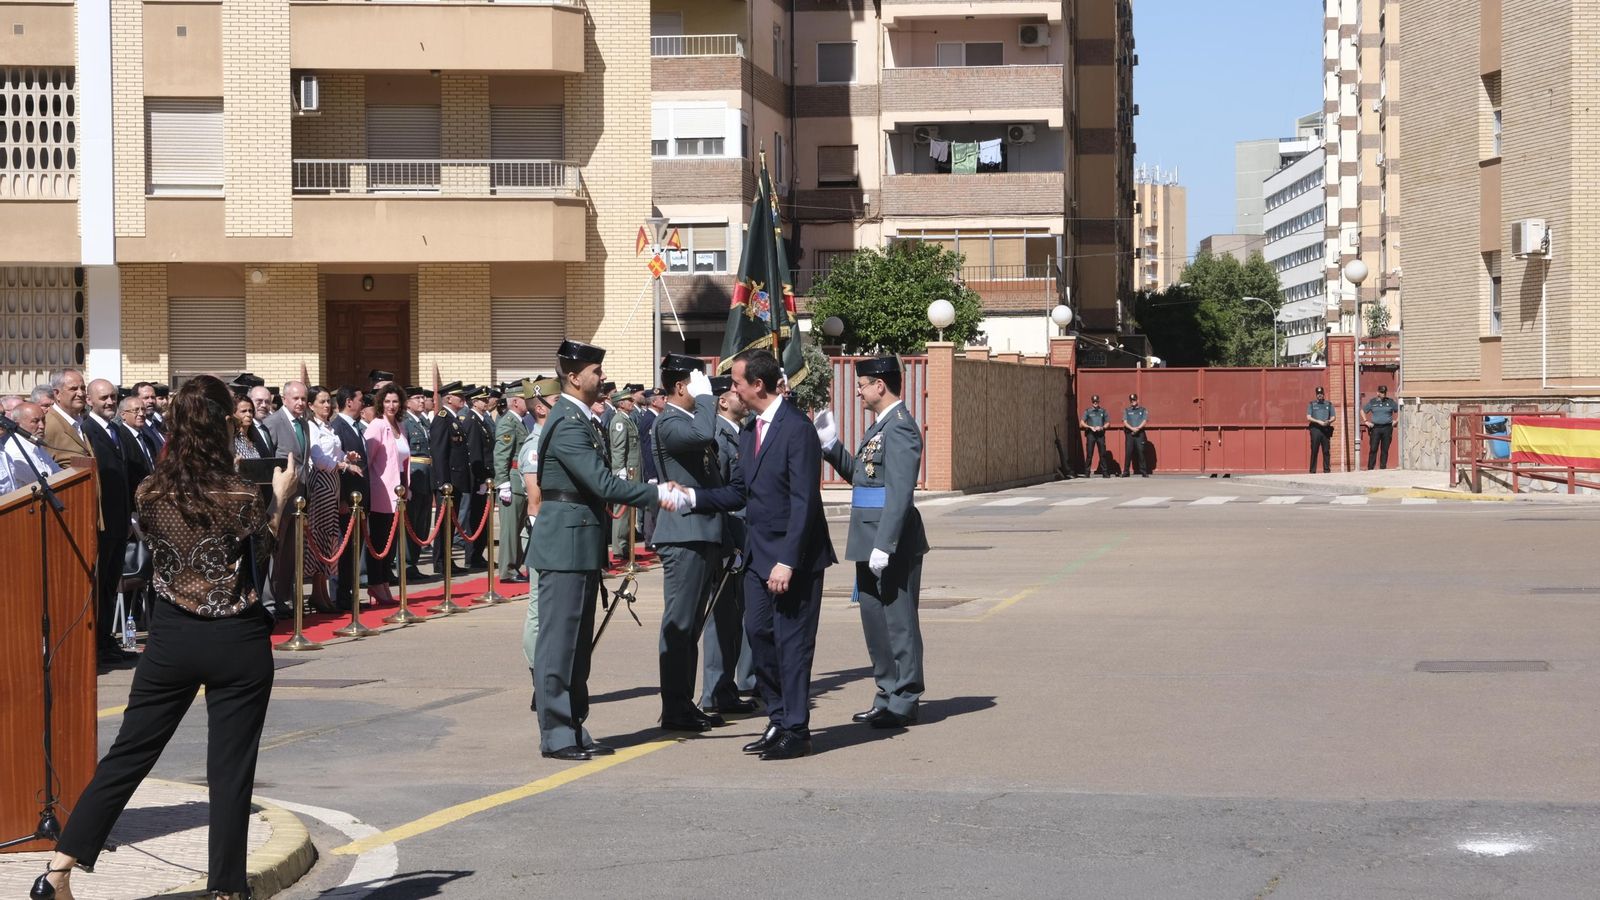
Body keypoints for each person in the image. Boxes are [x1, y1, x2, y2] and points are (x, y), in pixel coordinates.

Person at [30, 375, 298, 900]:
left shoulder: (149, 491)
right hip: (236, 637)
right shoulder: (242, 492)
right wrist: (280, 501)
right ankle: (225, 889)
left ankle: (59, 869)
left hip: (172, 636)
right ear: (222, 426)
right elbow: (258, 563)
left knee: (128, 755)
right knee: (230, 771)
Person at [528, 340, 683, 761]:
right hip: (564, 543)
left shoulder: (582, 419)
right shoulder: (569, 422)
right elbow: (601, 483)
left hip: (579, 541)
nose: (601, 378)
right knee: (559, 643)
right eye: (595, 371)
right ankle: (557, 731)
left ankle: (574, 724)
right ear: (574, 377)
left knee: (578, 645)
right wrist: (656, 493)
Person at [686, 350, 838, 761]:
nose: (731, 389)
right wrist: (692, 497)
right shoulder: (751, 431)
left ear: (757, 384)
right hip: (757, 556)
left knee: (792, 644)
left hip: (794, 558)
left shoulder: (797, 428)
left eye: (736, 381)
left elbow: (806, 501)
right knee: (758, 635)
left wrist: (787, 560)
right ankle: (777, 717)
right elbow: (740, 491)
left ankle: (797, 728)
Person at [819, 356, 929, 728]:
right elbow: (862, 478)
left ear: (880, 386)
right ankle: (885, 693)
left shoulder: (900, 428)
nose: (859, 391)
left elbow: (899, 493)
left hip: (889, 542)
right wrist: (831, 445)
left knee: (898, 622)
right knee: (874, 622)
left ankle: (905, 698)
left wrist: (886, 543)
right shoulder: (879, 427)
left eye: (863, 384)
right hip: (867, 540)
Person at [648, 354, 730, 731]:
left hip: (701, 533)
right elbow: (703, 436)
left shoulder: (687, 419)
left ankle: (682, 701)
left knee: (691, 626)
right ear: (680, 387)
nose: (706, 389)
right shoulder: (669, 422)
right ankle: (675, 706)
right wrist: (709, 399)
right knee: (679, 626)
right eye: (698, 382)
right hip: (683, 535)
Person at [700, 375, 756, 715]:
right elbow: (719, 495)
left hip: (746, 533)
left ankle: (728, 687)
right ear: (722, 401)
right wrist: (727, 543)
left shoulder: (741, 434)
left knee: (737, 617)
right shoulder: (717, 438)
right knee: (721, 618)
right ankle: (714, 692)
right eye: (736, 392)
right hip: (730, 535)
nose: (742, 395)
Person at [80, 379, 138, 666]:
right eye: (103, 397)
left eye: (113, 397)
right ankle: (98, 643)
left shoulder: (114, 429)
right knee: (101, 585)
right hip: (101, 523)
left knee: (112, 582)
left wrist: (128, 515)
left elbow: (122, 477)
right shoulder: (86, 431)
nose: (110, 402)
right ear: (90, 400)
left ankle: (106, 638)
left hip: (119, 521)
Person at [518, 377, 557, 712]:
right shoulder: (535, 445)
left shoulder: (553, 437)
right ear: (541, 405)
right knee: (537, 609)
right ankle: (537, 676)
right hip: (541, 533)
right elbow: (535, 500)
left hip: (554, 532)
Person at [261, 381, 313, 618]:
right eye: (296, 399)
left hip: (300, 497)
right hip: (280, 499)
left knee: (291, 552)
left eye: (303, 398)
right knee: (275, 550)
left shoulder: (304, 423)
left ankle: (284, 597)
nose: (300, 403)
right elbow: (269, 460)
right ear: (284, 399)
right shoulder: (272, 423)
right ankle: (270, 601)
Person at [306, 387, 354, 613]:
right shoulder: (311, 426)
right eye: (322, 402)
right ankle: (317, 592)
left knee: (329, 538)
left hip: (333, 482)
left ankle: (322, 591)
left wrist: (347, 457)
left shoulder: (329, 426)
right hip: (321, 483)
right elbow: (318, 458)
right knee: (320, 537)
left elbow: (334, 453)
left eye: (328, 402)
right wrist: (342, 465)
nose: (327, 406)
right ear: (311, 405)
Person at [363, 384, 409, 605]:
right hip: (382, 491)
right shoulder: (377, 425)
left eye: (395, 401)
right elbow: (368, 460)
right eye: (388, 401)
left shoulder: (399, 425)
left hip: (399, 490)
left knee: (391, 544)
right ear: (381, 403)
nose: (392, 406)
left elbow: (403, 459)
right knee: (380, 542)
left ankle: (383, 582)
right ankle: (375, 583)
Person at [330, 387, 372, 608]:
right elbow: (338, 465)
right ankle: (340, 596)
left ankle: (350, 594)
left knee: (355, 549)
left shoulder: (355, 427)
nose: (363, 403)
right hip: (348, 499)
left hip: (360, 499)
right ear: (348, 402)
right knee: (344, 550)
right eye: (360, 400)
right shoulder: (338, 427)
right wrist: (343, 499)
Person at [429, 382, 475, 571]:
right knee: (444, 522)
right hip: (448, 481)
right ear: (448, 399)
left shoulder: (454, 418)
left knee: (451, 522)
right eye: (459, 397)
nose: (463, 399)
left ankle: (447, 559)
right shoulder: (442, 418)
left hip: (456, 479)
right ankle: (441, 561)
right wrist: (443, 482)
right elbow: (439, 452)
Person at [494, 386, 531, 584]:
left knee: (518, 527)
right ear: (515, 402)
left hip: (520, 479)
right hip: (512, 479)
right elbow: (502, 454)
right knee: (510, 529)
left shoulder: (520, 422)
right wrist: (503, 482)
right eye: (525, 398)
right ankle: (508, 570)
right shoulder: (508, 422)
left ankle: (515, 566)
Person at [456, 386, 491, 569]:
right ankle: (472, 556)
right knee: (474, 517)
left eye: (486, 400)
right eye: (482, 400)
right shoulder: (471, 419)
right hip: (477, 477)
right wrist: (480, 478)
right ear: (474, 402)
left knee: (481, 517)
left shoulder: (480, 419)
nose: (486, 402)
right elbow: (474, 452)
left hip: (483, 476)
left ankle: (478, 554)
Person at [402, 386, 433, 579]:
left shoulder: (422, 421)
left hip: (427, 475)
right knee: (411, 522)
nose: (422, 401)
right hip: (414, 475)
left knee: (422, 523)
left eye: (423, 398)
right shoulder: (404, 422)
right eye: (417, 398)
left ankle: (413, 562)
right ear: (407, 402)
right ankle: (406, 564)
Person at [0, 401, 62, 495]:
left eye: (3, 415)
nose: (42, 426)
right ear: (17, 425)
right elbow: (45, 482)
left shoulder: (35, 445)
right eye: (35, 421)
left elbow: (59, 474)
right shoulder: (14, 451)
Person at [608, 389, 642, 560]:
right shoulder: (619, 421)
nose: (631, 402)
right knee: (623, 511)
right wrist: (620, 470)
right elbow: (619, 448)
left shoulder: (627, 419)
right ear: (621, 404)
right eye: (628, 400)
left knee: (630, 512)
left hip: (633, 470)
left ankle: (627, 546)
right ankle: (620, 548)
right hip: (626, 471)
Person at [42, 367, 93, 469]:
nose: (81, 393)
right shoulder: (48, 424)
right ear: (57, 394)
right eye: (73, 389)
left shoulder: (80, 422)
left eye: (83, 388)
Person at [117, 396, 157, 487]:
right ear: (123, 414)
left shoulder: (147, 438)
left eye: (143, 409)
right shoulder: (120, 437)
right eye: (136, 410)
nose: (142, 414)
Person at [1363, 384, 1399, 470]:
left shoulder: (1390, 402)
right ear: (1377, 392)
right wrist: (1366, 421)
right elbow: (1363, 411)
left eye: (1385, 392)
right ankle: (1370, 468)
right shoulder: (1373, 402)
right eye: (1382, 392)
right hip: (1376, 428)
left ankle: (1383, 468)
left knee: (1385, 449)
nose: (1384, 394)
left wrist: (1396, 420)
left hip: (1387, 428)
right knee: (1373, 448)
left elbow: (1401, 410)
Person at [1081, 394, 1111, 478]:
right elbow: (1082, 422)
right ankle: (1087, 473)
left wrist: (1102, 427)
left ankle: (1105, 472)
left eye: (1096, 401)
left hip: (1100, 434)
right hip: (1091, 434)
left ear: (1098, 401)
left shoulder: (1103, 411)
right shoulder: (1088, 411)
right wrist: (1090, 427)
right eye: (1094, 401)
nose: (1095, 403)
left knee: (1102, 454)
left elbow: (1108, 423)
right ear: (1092, 402)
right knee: (1089, 454)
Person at [1307, 386, 1335, 474]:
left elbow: (1333, 417)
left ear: (1323, 394)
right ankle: (1312, 471)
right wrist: (1318, 421)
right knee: (1314, 450)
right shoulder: (1312, 404)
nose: (1320, 395)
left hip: (1326, 429)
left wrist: (1329, 421)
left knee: (1326, 451)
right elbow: (1308, 417)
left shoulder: (1329, 404)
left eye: (1321, 394)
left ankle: (1327, 470)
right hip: (1315, 429)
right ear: (1316, 395)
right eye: (1318, 394)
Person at [1121, 393, 1150, 478]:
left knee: (1141, 452)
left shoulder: (1143, 410)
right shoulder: (1127, 410)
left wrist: (1138, 428)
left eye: (1134, 400)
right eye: (1131, 400)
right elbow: (1125, 422)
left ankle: (1144, 472)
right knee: (1128, 452)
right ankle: (1126, 472)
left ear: (1137, 400)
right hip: (1129, 434)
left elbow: (1145, 421)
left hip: (1140, 434)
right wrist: (1132, 428)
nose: (1133, 402)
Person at [247, 385, 276, 457]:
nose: (264, 405)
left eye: (267, 402)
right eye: (259, 401)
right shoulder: (246, 429)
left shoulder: (265, 428)